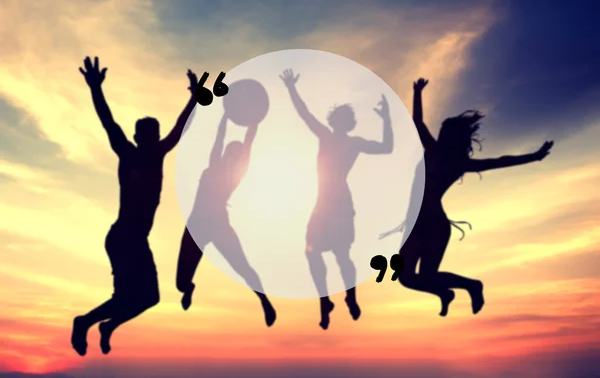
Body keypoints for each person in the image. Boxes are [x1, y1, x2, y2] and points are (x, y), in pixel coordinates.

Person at [393, 77, 554, 317]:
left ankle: (471, 286)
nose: (441, 134)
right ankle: (446, 293)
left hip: (434, 225)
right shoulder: (443, 155)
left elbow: (500, 162)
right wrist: (417, 92)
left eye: (445, 132)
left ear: (451, 138)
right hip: (418, 223)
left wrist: (534, 156)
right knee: (406, 278)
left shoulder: (450, 158)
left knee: (423, 276)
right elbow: (417, 123)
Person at [71, 56, 199, 356]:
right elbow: (108, 122)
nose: (154, 139)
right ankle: (84, 322)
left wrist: (194, 98)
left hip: (137, 240)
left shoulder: (158, 154)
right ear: (137, 138)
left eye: (156, 135)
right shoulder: (127, 154)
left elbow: (180, 128)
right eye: (148, 136)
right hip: (123, 238)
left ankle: (107, 326)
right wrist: (95, 89)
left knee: (149, 298)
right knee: (127, 296)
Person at [280, 68, 394, 330]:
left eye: (344, 119)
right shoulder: (331, 137)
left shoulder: (343, 140)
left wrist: (387, 118)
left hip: (336, 205)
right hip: (326, 205)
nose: (341, 122)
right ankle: (328, 301)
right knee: (315, 253)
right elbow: (305, 115)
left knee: (337, 256)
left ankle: (347, 298)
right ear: (336, 121)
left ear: (344, 123)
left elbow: (386, 148)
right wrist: (292, 89)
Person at [175, 111, 277, 327]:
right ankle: (189, 289)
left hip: (219, 224)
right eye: (231, 151)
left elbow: (249, 144)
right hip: (196, 226)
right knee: (181, 284)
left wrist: (254, 123)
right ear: (225, 154)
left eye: (236, 153)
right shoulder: (213, 165)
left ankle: (264, 301)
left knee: (242, 266)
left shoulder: (236, 174)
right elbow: (219, 139)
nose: (233, 154)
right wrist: (224, 115)